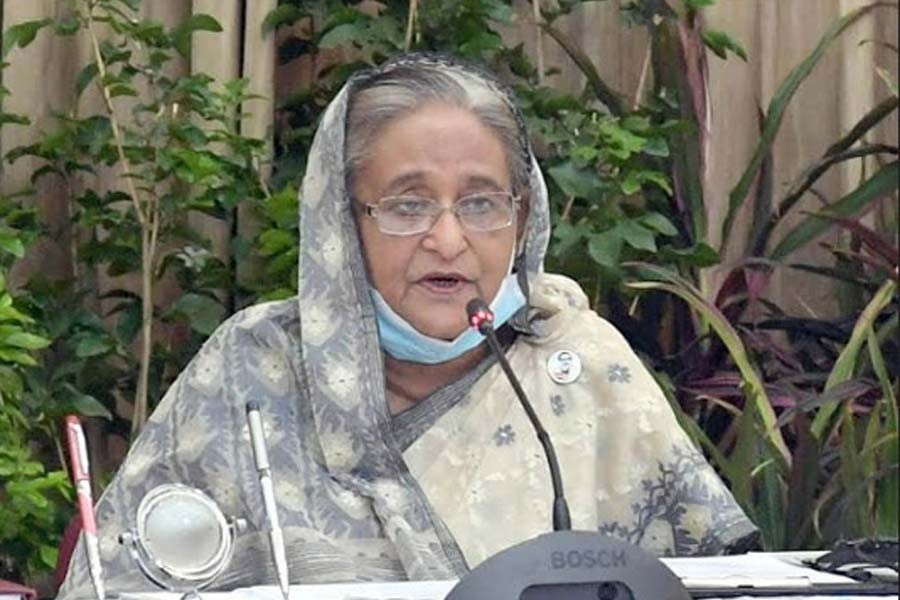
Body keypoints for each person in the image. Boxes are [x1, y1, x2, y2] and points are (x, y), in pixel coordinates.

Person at [58, 53, 757, 598]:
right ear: (342, 223)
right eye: (406, 205)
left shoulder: (580, 365)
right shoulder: (252, 367)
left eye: (481, 204)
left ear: (523, 218)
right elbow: (116, 581)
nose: (448, 241)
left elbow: (714, 583)